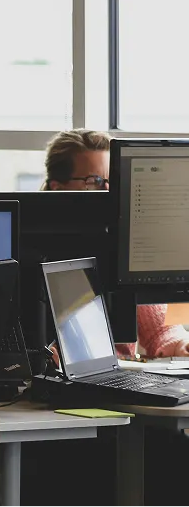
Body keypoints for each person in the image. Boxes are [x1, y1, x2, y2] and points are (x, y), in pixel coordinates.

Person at [43, 128, 189, 359]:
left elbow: (160, 330)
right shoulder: (35, 248)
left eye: (114, 181)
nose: (110, 192)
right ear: (58, 188)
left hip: (118, 381)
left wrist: (180, 344)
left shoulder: (123, 242)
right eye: (96, 181)